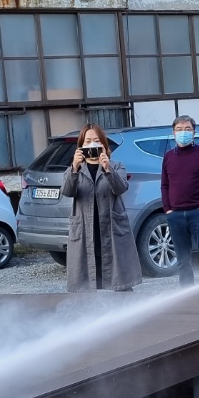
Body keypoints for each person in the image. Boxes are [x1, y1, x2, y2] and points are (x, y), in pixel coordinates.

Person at [62, 124, 141, 293]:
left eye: (96, 141)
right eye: (88, 141)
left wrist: (107, 169)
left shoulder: (116, 165)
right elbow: (67, 191)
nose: (92, 145)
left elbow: (120, 188)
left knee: (120, 283)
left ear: (104, 145)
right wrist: (74, 168)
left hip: (112, 230)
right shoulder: (75, 169)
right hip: (85, 230)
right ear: (81, 146)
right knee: (85, 285)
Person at [159, 116, 199, 288]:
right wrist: (168, 209)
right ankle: (187, 291)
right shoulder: (168, 157)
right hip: (175, 215)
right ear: (173, 133)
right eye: (179, 129)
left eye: (187, 129)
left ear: (194, 132)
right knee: (182, 258)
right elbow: (164, 184)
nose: (183, 133)